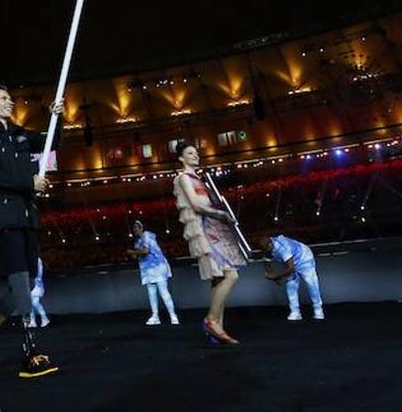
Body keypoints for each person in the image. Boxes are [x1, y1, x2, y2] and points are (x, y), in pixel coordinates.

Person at [0, 84, 63, 379]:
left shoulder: (20, 134)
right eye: (4, 98)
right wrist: (28, 183)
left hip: (28, 215)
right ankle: (30, 352)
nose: (10, 102)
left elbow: (51, 142)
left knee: (27, 282)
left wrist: (56, 117)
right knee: (20, 281)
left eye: (10, 98)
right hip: (5, 215)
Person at [173, 143, 248, 345]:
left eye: (196, 153)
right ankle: (211, 321)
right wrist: (220, 213)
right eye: (190, 153)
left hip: (213, 228)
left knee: (219, 278)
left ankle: (217, 329)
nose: (195, 156)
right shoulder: (183, 178)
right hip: (203, 228)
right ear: (181, 158)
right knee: (231, 275)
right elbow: (196, 206)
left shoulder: (199, 178)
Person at [258, 234, 325, 321]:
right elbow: (267, 264)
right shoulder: (266, 249)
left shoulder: (282, 248)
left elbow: (290, 268)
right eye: (264, 250)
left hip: (304, 258)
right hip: (292, 263)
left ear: (270, 245)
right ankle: (295, 312)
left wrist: (276, 276)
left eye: (266, 249)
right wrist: (274, 278)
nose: (265, 251)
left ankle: (318, 310)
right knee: (291, 286)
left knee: (311, 284)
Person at [128, 220, 179, 325]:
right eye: (134, 228)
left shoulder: (147, 235)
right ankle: (155, 316)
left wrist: (133, 252)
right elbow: (137, 255)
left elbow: (145, 251)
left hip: (158, 267)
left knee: (163, 292)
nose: (135, 230)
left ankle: (173, 316)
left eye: (137, 227)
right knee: (151, 293)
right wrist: (133, 254)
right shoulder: (137, 242)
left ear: (142, 228)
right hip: (147, 270)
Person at [27, 256, 49, 328]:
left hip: (36, 285)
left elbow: (39, 270)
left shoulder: (37, 260)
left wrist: (38, 279)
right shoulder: (29, 260)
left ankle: (44, 318)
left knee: (35, 303)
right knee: (30, 305)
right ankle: (32, 321)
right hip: (30, 284)